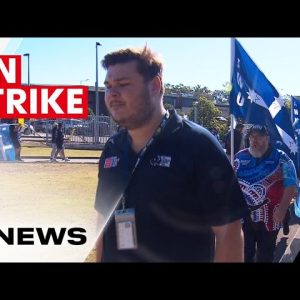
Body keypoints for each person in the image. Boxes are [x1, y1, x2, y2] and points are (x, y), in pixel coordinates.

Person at [94, 46, 249, 262]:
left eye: (123, 84)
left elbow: (229, 233)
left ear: (156, 85)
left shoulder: (198, 144)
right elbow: (103, 220)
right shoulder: (112, 147)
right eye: (109, 86)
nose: (112, 94)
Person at [234, 124, 298, 262]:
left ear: (267, 138)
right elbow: (232, 184)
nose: (255, 140)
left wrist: (282, 210)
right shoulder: (240, 157)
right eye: (252, 137)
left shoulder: (281, 158)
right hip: (245, 216)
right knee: (244, 253)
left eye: (259, 136)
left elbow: (291, 184)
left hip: (272, 215)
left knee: (265, 254)